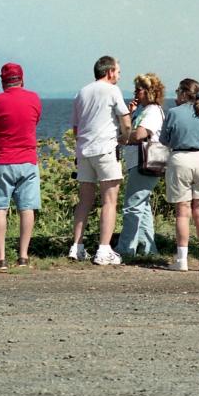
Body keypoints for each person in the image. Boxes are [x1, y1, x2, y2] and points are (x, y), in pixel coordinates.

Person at [67, 56, 131, 265]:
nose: (119, 76)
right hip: (105, 149)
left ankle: (76, 246)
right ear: (110, 71)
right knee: (109, 200)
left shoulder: (81, 92)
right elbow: (126, 120)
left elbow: (76, 128)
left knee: (84, 200)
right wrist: (124, 137)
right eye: (118, 72)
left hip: (84, 150)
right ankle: (104, 249)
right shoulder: (112, 90)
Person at [0, 63, 42, 270]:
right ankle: (23, 256)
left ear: (2, 81)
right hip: (27, 160)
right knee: (27, 208)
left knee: (0, 208)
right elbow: (35, 120)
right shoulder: (33, 98)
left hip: (1, 161)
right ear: (22, 79)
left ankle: (0, 258)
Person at [159, 78, 199, 272]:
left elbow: (164, 139)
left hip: (181, 159)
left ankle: (182, 260)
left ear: (183, 93)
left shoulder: (173, 112)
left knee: (182, 212)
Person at [117, 73, 166, 257]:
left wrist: (122, 139)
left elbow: (140, 134)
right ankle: (148, 248)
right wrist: (129, 113)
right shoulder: (143, 110)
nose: (135, 92)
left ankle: (126, 248)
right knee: (142, 207)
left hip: (144, 162)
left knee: (132, 206)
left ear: (148, 91)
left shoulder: (152, 111)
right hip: (137, 162)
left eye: (138, 89)